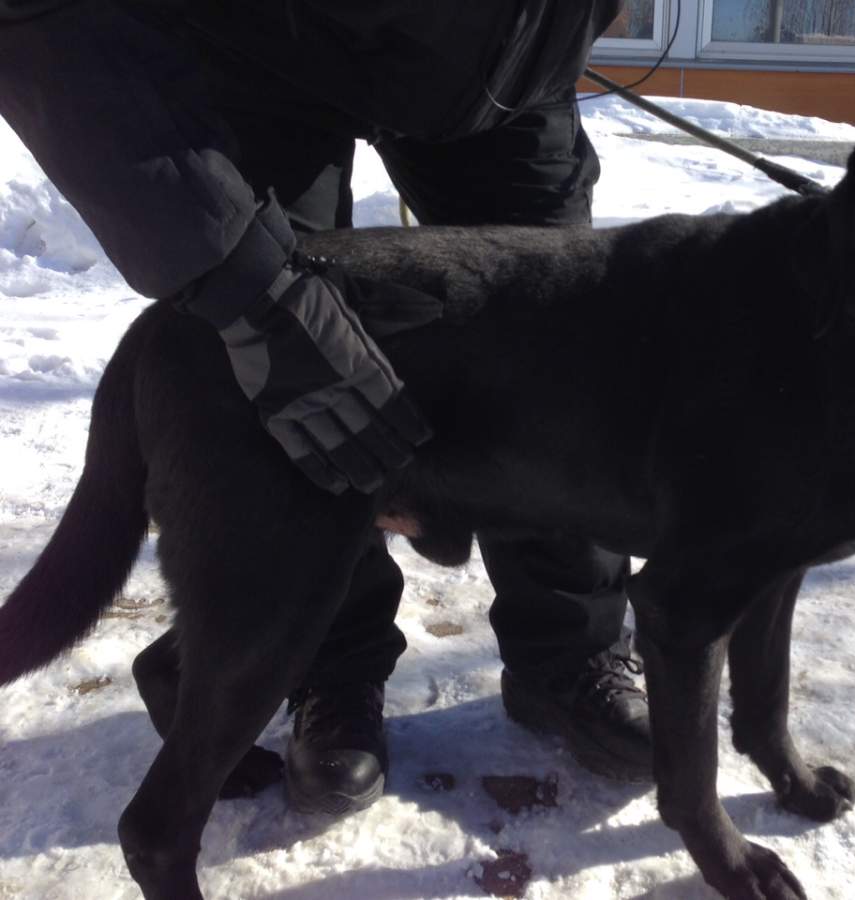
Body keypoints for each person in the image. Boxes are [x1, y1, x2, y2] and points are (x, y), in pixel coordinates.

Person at [0, 0, 652, 814]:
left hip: (496, 59)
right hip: (252, 41)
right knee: (299, 373)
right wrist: (254, 293)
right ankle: (329, 663)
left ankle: (570, 649)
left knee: (558, 347)